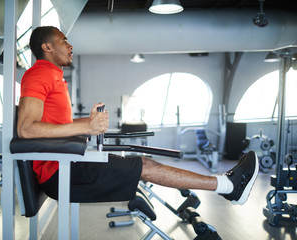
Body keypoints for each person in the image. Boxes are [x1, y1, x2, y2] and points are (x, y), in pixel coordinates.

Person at [17, 26, 259, 205]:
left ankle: (226, 185)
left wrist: (87, 123)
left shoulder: (54, 76)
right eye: (64, 41)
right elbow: (27, 129)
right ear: (46, 47)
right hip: (59, 172)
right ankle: (229, 186)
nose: (70, 46)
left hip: (66, 164)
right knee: (143, 164)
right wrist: (88, 127)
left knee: (142, 162)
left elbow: (57, 126)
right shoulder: (39, 74)